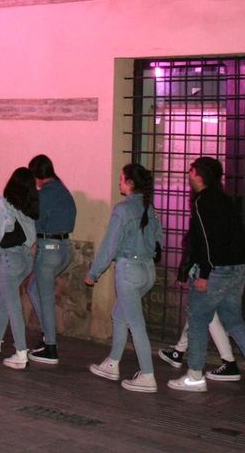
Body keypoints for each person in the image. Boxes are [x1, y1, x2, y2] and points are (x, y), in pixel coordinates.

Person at [168, 156, 245, 399]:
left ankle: (195, 376)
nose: (188, 173)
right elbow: (239, 237)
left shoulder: (203, 202)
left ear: (198, 175)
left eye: (191, 170)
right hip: (236, 269)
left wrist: (205, 273)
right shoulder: (226, 200)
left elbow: (207, 240)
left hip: (215, 272)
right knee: (234, 321)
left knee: (197, 320)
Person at [85, 162, 163, 393]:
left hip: (129, 270)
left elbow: (110, 245)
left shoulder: (122, 210)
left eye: (121, 178)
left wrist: (93, 272)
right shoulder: (149, 208)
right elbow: (159, 239)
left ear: (130, 183)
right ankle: (112, 363)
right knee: (119, 314)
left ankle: (147, 375)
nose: (118, 182)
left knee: (135, 324)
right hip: (147, 270)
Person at [0, 167, 39, 370]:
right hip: (24, 260)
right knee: (2, 299)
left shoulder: (4, 205)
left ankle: (21, 353)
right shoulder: (29, 206)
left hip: (9, 260)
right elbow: (31, 237)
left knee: (13, 305)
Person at [158, 230, 240, 380]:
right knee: (198, 313)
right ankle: (179, 352)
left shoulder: (203, 214)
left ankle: (228, 363)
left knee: (205, 316)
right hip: (218, 272)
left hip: (204, 274)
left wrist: (184, 272)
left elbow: (193, 247)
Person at [25, 154, 77, 364]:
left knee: (44, 297)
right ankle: (48, 336)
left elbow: (36, 221)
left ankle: (51, 347)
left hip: (49, 249)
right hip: (65, 248)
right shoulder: (64, 191)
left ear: (36, 175)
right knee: (33, 289)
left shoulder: (44, 195)